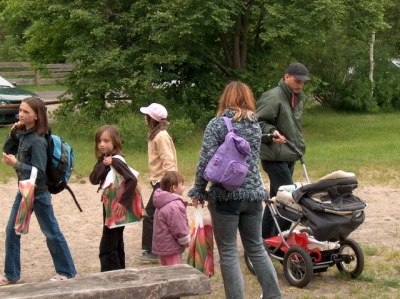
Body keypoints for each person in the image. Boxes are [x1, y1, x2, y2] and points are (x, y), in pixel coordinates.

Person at [188, 82, 283, 299]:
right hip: (253, 196)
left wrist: (199, 191)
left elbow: (206, 160)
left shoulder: (217, 124)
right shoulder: (255, 125)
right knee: (257, 249)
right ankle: (274, 296)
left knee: (229, 254)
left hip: (225, 196)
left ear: (226, 99)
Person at [1, 97, 76, 285]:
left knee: (51, 232)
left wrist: (17, 164)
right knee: (12, 230)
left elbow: (40, 173)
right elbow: (6, 150)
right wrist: (13, 132)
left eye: (26, 112)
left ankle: (66, 271)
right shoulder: (23, 133)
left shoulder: (37, 141)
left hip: (39, 193)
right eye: (20, 110)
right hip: (24, 190)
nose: (21, 114)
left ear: (36, 116)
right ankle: (11, 274)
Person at [256, 62, 310, 239]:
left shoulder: (295, 97)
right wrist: (271, 133)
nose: (300, 85)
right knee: (289, 200)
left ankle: (264, 240)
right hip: (274, 156)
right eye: (297, 81)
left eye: (303, 82)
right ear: (286, 77)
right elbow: (258, 123)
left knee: (277, 200)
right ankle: (281, 239)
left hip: (289, 155)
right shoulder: (273, 97)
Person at [89, 125, 138, 272]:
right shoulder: (105, 160)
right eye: (99, 141)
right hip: (109, 204)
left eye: (106, 141)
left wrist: (123, 203)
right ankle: (119, 271)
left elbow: (132, 180)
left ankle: (111, 276)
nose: (102, 144)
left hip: (117, 205)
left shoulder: (116, 161)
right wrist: (103, 165)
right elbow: (93, 179)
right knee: (116, 241)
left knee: (107, 245)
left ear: (115, 142)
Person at [138, 103, 178, 261]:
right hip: (158, 181)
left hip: (164, 182)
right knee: (161, 216)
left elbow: (168, 161)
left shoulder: (161, 136)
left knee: (150, 215)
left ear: (151, 119)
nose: (144, 118)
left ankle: (152, 251)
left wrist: (167, 184)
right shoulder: (156, 134)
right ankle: (166, 246)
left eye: (146, 115)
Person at [152, 171, 190, 266]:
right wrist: (186, 241)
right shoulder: (175, 206)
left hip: (163, 245)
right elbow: (179, 226)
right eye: (182, 185)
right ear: (174, 187)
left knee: (166, 270)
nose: (184, 187)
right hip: (171, 247)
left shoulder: (162, 202)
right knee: (174, 272)